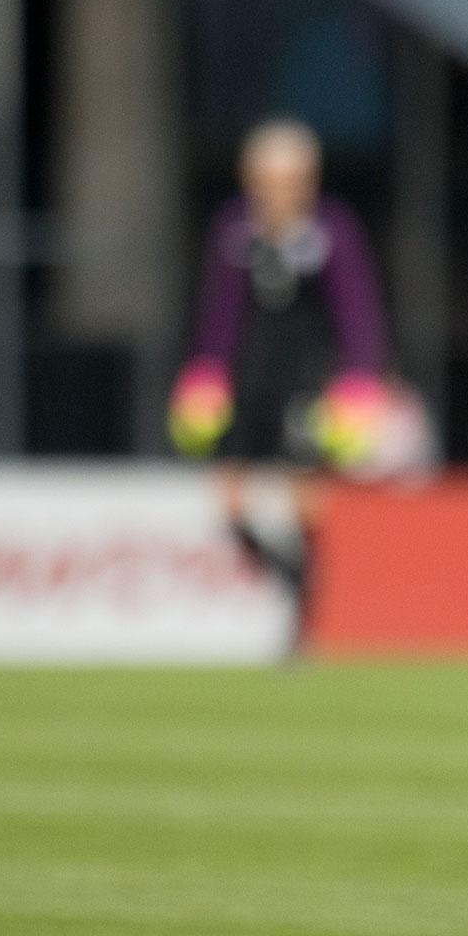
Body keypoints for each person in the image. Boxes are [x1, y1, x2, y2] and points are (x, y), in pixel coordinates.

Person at [177, 118, 389, 645]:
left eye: (289, 179)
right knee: (229, 500)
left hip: (304, 378)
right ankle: (290, 579)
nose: (277, 191)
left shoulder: (330, 231)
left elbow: (357, 307)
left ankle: (301, 621)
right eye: (266, 179)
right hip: (248, 378)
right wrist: (206, 370)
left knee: (304, 497)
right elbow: (218, 312)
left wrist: (362, 375)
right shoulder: (234, 231)